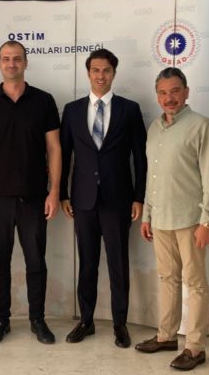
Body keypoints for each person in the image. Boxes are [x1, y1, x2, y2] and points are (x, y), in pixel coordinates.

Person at [0, 40, 61, 345]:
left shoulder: (44, 101)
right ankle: (1, 320)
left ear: (25, 63)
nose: (11, 64)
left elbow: (54, 148)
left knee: (36, 262)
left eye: (17, 59)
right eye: (6, 59)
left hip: (34, 197)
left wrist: (54, 191)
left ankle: (37, 320)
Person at [58, 48, 146, 348]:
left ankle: (120, 323)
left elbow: (140, 157)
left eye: (106, 70)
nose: (100, 75)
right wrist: (62, 193)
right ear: (88, 73)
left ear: (114, 73)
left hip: (118, 201)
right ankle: (86, 320)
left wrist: (139, 197)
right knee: (87, 264)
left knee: (118, 264)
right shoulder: (72, 110)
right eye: (95, 70)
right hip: (82, 201)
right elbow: (64, 155)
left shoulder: (129, 110)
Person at [138, 67, 209, 370]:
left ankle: (195, 347)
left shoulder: (201, 126)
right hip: (160, 219)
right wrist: (147, 214)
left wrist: (206, 221)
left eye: (174, 91)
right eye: (162, 92)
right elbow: (152, 175)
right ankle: (166, 336)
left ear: (186, 92)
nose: (168, 98)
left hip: (190, 220)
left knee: (195, 283)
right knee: (168, 279)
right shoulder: (154, 128)